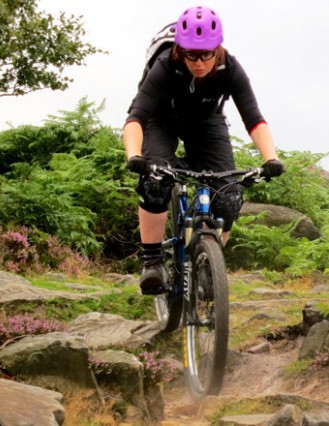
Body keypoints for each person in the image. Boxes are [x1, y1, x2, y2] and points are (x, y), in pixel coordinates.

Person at [123, 5, 285, 295]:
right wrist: (134, 156)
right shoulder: (165, 66)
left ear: (217, 49)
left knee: (230, 197)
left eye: (206, 55)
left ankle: (209, 264)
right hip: (160, 118)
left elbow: (254, 119)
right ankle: (152, 261)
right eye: (191, 55)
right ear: (180, 51)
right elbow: (136, 118)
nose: (199, 63)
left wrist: (270, 158)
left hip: (205, 119)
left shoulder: (230, 69)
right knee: (155, 183)